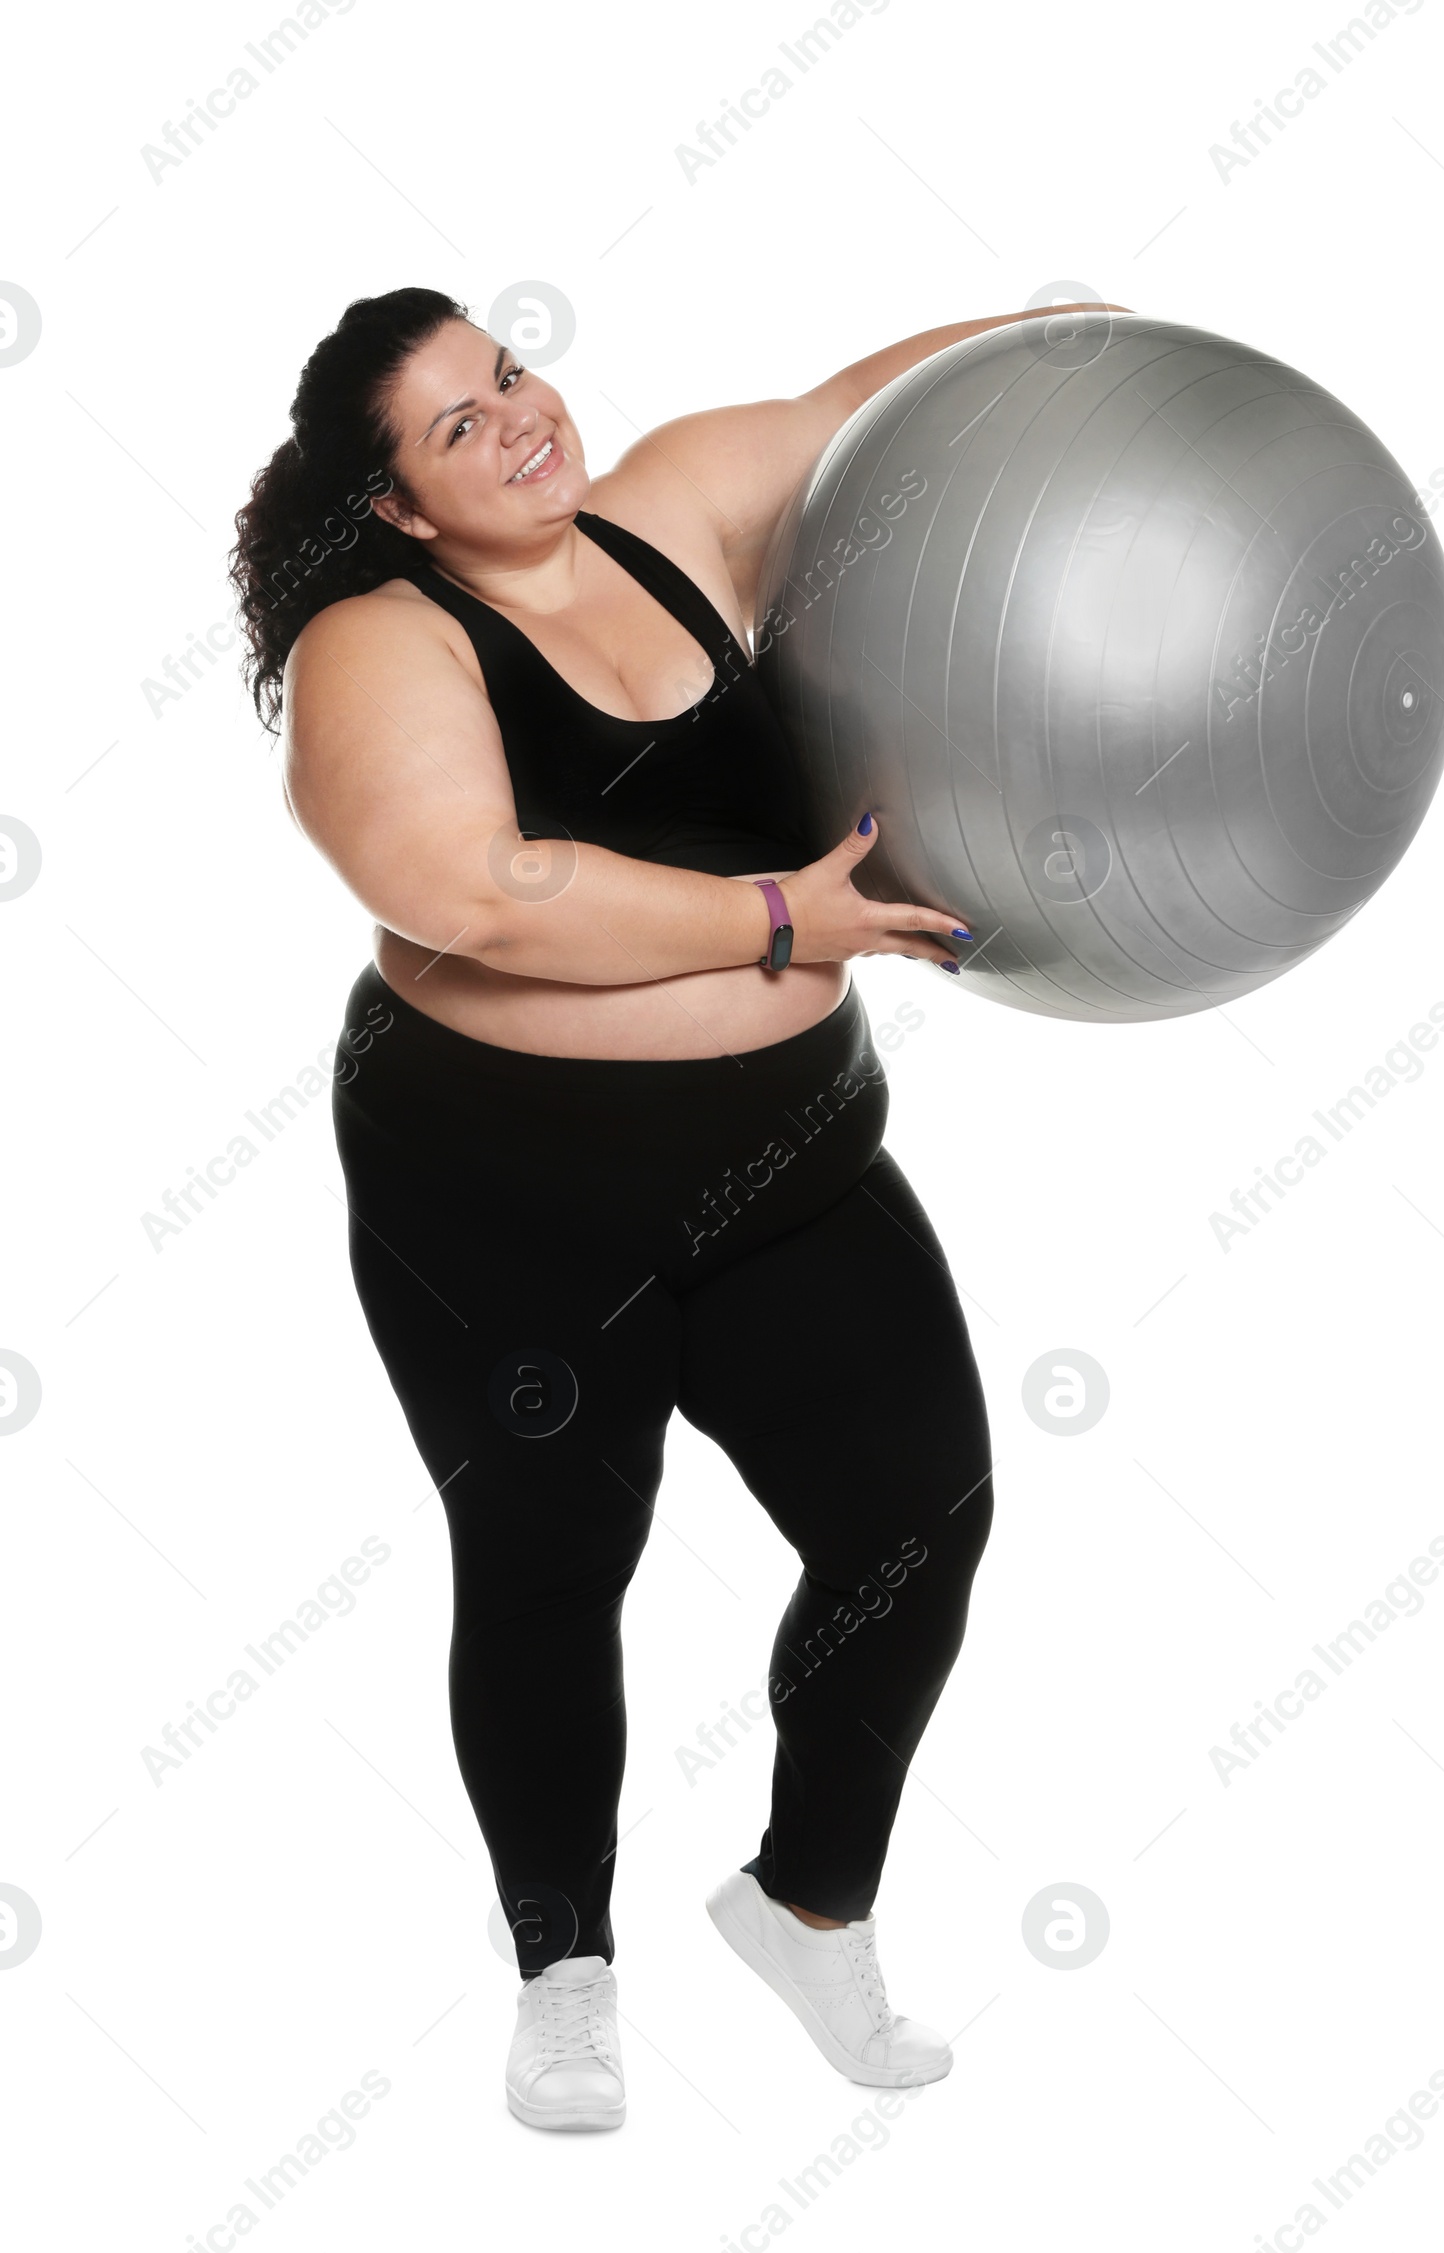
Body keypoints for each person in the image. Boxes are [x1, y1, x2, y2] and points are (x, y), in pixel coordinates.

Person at [228, 287, 1075, 2132]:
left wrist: (1086, 339)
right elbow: (494, 889)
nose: (520, 420)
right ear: (395, 507)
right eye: (457, 427)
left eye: (508, 372)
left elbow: (884, 407)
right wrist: (785, 918)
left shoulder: (678, 504)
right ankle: (566, 1974)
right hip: (507, 1203)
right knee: (550, 1569)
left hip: (790, 1161)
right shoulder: (381, 647)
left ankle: (806, 1901)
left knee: (917, 1519)